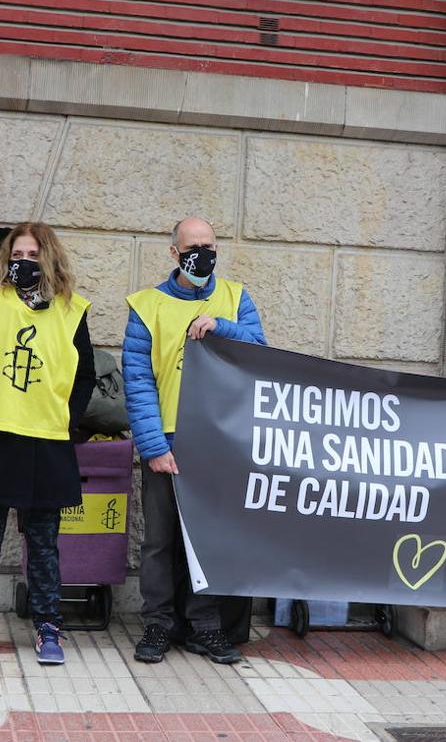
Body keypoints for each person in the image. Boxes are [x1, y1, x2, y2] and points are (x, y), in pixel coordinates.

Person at [0, 222, 95, 667]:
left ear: (48, 259)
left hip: (47, 443)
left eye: (32, 255)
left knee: (46, 544)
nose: (22, 262)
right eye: (17, 254)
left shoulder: (72, 310)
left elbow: (84, 376)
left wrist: (65, 417)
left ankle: (50, 629)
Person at [124, 216, 267, 665]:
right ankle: (157, 625)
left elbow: (260, 349)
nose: (202, 254)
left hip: (218, 441)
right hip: (166, 438)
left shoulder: (235, 297)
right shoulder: (147, 306)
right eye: (193, 247)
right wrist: (152, 446)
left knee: (207, 539)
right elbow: (138, 380)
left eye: (209, 245)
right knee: (160, 540)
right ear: (174, 253)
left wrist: (222, 325)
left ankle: (206, 627)